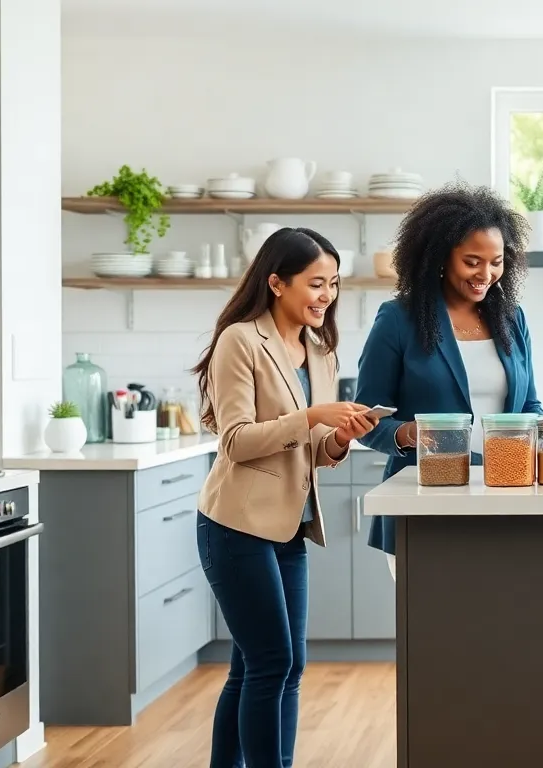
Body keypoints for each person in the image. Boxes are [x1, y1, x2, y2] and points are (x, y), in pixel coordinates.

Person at [191, 226, 378, 768]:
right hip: (236, 526)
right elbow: (235, 441)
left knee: (268, 666)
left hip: (289, 527)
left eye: (334, 284)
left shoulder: (320, 351)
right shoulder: (241, 341)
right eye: (316, 283)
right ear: (276, 282)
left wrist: (339, 438)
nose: (327, 296)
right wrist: (312, 417)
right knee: (272, 662)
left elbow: (311, 448)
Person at [356, 182, 543, 579]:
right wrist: (412, 433)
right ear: (442, 257)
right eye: (473, 261)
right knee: (429, 632)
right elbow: (367, 417)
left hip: (500, 496)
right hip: (425, 499)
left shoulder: (513, 319)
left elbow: (527, 405)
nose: (487, 274)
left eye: (497, 262)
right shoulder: (399, 319)